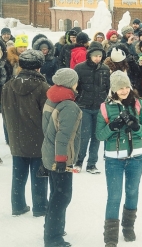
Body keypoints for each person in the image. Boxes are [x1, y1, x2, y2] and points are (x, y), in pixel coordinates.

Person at [96, 70, 142, 247]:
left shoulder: (138, 104)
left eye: (127, 86)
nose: (124, 90)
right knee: (114, 196)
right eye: (120, 88)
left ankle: (128, 227)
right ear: (113, 89)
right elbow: (99, 136)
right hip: (114, 159)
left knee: (132, 192)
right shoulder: (105, 107)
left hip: (136, 157)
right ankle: (110, 236)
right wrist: (112, 126)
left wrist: (135, 126)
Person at [2, 50, 50, 217]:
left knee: (18, 175)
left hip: (16, 137)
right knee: (39, 176)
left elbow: (4, 110)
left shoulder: (8, 85)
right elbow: (47, 115)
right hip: (38, 138)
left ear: (20, 66)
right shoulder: (43, 87)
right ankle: (40, 207)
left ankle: (18, 206)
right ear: (38, 68)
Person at [41, 68, 81, 247]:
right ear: (71, 83)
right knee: (62, 197)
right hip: (60, 157)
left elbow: (46, 128)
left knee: (56, 193)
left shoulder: (52, 98)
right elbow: (63, 135)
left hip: (50, 152)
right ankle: (53, 238)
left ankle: (52, 228)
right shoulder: (68, 105)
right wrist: (61, 160)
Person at [73, 41, 111, 173]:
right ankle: (78, 161)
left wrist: (104, 100)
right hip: (84, 106)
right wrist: (78, 98)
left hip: (99, 107)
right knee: (84, 135)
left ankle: (92, 163)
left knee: (97, 136)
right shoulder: (79, 68)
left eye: (100, 56)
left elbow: (107, 87)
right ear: (89, 55)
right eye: (95, 55)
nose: (97, 58)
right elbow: (75, 87)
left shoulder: (105, 69)